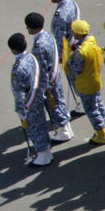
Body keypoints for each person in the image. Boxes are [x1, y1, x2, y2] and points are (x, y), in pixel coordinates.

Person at [24, 12, 72, 144]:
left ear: (32, 28)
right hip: (55, 76)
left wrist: (43, 89)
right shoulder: (48, 36)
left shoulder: (39, 46)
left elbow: (41, 69)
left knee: (53, 105)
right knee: (59, 102)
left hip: (48, 82)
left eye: (28, 26)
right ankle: (66, 127)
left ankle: (63, 132)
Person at [7, 33, 52, 167]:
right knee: (41, 124)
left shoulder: (18, 68)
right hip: (37, 96)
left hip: (28, 101)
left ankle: (42, 156)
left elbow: (19, 93)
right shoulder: (31, 57)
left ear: (13, 50)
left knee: (34, 128)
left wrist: (21, 110)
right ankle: (47, 151)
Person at [65, 20, 105, 144]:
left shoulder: (81, 52)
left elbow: (77, 69)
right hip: (95, 80)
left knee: (92, 111)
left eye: (74, 31)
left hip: (86, 85)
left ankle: (101, 135)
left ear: (78, 34)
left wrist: (69, 60)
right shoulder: (92, 41)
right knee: (99, 105)